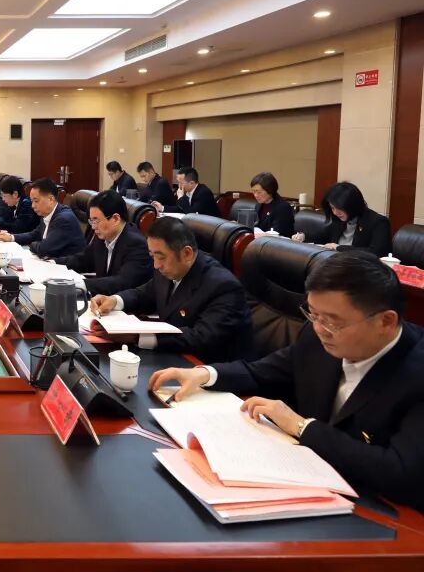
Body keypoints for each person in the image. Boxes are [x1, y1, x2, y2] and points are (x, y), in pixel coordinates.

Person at [149, 252, 424, 512]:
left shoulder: (416, 373)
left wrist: (301, 426)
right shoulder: (315, 336)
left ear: (386, 322)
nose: (319, 329)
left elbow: (401, 474)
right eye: (313, 314)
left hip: (383, 513)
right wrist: (205, 374)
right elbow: (262, 373)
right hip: (306, 485)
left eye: (332, 322)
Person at [90, 217, 251, 362]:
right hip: (171, 356)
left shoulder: (223, 286)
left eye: (160, 257)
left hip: (206, 369)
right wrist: (115, 300)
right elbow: (145, 294)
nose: (156, 265)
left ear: (187, 253)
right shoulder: (170, 268)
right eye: (152, 256)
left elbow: (200, 338)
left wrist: (137, 337)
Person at [57, 190, 153, 296]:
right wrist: (53, 263)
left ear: (115, 219)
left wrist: (82, 284)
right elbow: (83, 260)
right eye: (91, 221)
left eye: (96, 220)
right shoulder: (103, 236)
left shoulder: (137, 244)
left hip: (123, 303)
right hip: (101, 298)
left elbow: (122, 282)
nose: (93, 227)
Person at [0, 178, 85, 259]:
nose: (33, 206)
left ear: (50, 199)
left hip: (66, 268)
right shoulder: (47, 213)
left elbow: (44, 249)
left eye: (36, 201)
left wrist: (32, 244)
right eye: (32, 201)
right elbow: (35, 234)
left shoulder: (63, 219)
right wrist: (11, 237)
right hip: (50, 261)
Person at [295, 181, 392, 257]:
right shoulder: (338, 219)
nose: (335, 213)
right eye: (332, 208)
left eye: (339, 208)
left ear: (352, 205)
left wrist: (339, 248)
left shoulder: (378, 222)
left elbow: (377, 252)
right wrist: (304, 236)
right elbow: (324, 236)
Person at [250, 171, 294, 237]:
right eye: (253, 191)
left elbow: (276, 232)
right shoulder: (259, 205)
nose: (255, 195)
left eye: (259, 192)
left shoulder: (283, 208)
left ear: (270, 190)